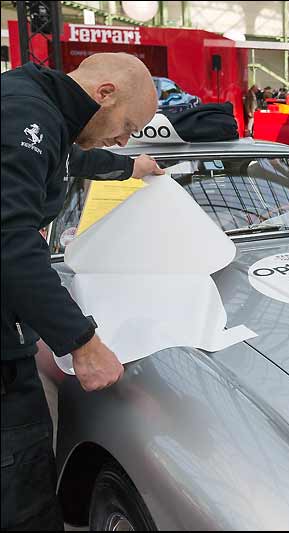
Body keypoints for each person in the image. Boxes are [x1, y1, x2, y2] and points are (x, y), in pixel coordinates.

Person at [1, 52, 162, 531]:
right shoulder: (25, 116)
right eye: (127, 125)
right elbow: (8, 240)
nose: (124, 137)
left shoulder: (31, 101)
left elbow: (66, 157)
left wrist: (128, 167)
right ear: (104, 94)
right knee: (22, 494)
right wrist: (82, 342)